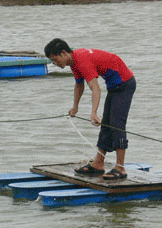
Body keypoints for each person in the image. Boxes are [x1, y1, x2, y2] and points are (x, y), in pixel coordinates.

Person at [44, 38, 136, 180]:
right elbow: (79, 85)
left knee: (117, 124)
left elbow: (95, 87)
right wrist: (75, 107)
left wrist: (93, 113)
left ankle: (120, 168)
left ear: (63, 53)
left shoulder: (81, 60)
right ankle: (99, 163)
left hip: (125, 84)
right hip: (114, 87)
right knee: (106, 125)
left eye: (55, 60)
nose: (55, 64)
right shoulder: (74, 62)